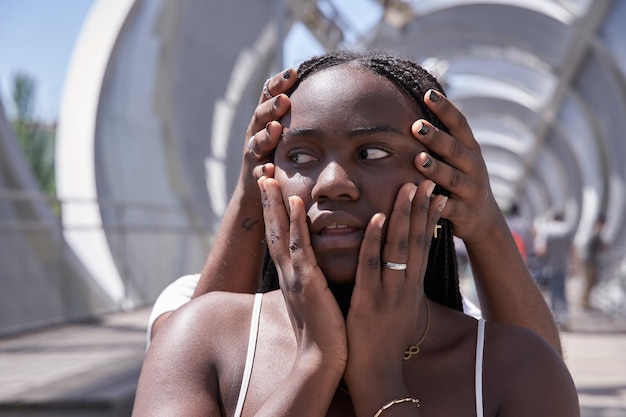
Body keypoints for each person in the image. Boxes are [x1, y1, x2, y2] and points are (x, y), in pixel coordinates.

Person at [133, 50, 578, 416]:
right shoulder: (195, 338)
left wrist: (379, 378)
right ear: (265, 180)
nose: (332, 184)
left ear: (441, 176)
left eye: (372, 151)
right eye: (301, 156)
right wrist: (316, 361)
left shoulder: (520, 367)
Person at [533, 212, 575, 327]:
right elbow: (572, 250)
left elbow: (541, 250)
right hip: (563, 266)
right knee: (562, 292)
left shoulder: (547, 230)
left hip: (550, 267)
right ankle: (565, 316)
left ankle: (553, 317)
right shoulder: (567, 230)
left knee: (553, 293)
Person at [580, 213, 607, 309]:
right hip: (590, 262)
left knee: (589, 282)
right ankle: (584, 302)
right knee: (589, 282)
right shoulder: (596, 233)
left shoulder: (593, 232)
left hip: (588, 260)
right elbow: (602, 246)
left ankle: (585, 301)